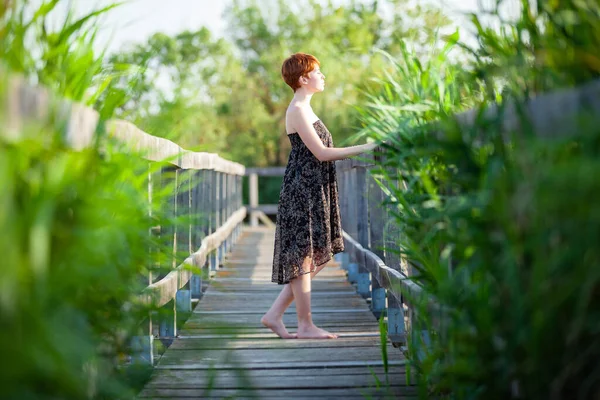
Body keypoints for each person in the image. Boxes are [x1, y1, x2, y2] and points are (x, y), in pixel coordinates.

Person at [261, 53, 378, 339]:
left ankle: (274, 315)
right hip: (303, 190)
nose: (322, 76)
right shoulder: (298, 110)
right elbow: (322, 154)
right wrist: (365, 148)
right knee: (306, 258)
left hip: (314, 188)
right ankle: (305, 325)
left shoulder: (306, 108)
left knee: (317, 256)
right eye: (317, 72)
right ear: (303, 79)